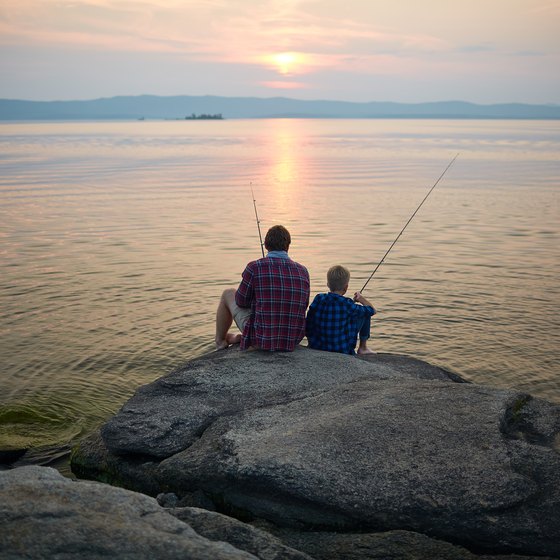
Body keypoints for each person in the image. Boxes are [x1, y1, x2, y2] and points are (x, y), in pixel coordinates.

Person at [215, 225, 310, 351]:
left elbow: (241, 301)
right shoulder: (303, 271)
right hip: (292, 339)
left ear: (266, 245)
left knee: (228, 293)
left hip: (261, 339)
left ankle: (220, 341)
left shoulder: (254, 267)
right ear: (288, 246)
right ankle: (237, 337)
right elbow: (304, 305)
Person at [306, 264, 376, 355]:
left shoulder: (319, 298)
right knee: (364, 313)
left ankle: (310, 342)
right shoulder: (347, 304)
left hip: (317, 346)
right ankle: (363, 348)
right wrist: (361, 299)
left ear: (328, 284)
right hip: (342, 349)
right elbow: (372, 310)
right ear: (346, 287)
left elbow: (309, 320)